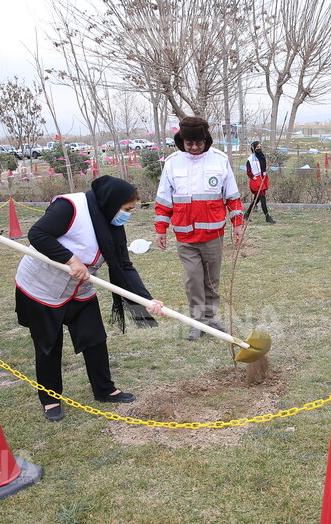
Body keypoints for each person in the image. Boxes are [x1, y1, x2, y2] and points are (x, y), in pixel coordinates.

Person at [15, 175, 163, 421]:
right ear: (111, 201)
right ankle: (50, 399)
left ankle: (104, 389)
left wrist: (146, 300)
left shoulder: (111, 223)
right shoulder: (70, 207)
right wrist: (70, 259)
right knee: (48, 345)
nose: (128, 215)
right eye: (127, 209)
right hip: (41, 287)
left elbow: (124, 266)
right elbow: (38, 234)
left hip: (80, 287)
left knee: (94, 338)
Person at [155, 117, 245, 340]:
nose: (194, 148)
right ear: (181, 141)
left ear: (206, 140)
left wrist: (238, 224)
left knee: (211, 279)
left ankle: (211, 318)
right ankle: (198, 321)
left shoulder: (220, 160)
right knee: (193, 279)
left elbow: (232, 196)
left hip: (213, 234)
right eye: (189, 144)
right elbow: (164, 200)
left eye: (199, 143)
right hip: (184, 234)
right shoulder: (172, 163)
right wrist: (160, 228)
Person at [244, 141, 275, 223]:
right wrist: (254, 178)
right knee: (262, 198)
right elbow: (248, 171)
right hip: (256, 180)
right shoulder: (250, 159)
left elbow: (263, 168)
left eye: (260, 147)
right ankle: (267, 217)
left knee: (256, 199)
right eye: (257, 147)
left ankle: (246, 214)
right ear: (253, 148)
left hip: (262, 178)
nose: (259, 149)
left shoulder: (261, 157)